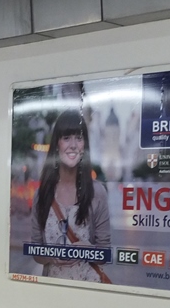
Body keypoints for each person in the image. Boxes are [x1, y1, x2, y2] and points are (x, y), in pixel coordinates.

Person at [30, 108, 111, 281]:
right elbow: (35, 251)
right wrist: (52, 255)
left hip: (88, 293)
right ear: (57, 145)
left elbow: (105, 253)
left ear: (84, 146)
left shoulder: (97, 193)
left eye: (79, 138)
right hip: (52, 293)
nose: (73, 145)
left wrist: (87, 250)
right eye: (66, 138)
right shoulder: (42, 194)